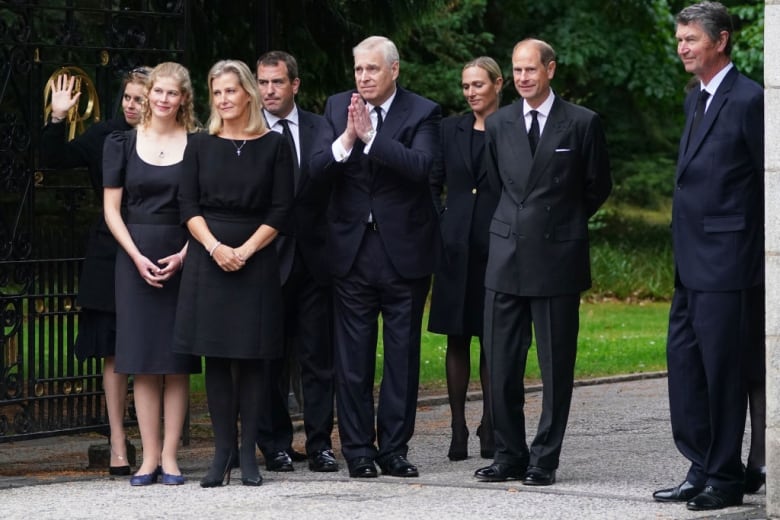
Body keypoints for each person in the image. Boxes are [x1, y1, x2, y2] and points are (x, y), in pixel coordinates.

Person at [474, 38, 611, 486]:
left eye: (531, 69)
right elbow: (498, 184)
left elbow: (596, 186)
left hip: (557, 257)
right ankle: (509, 455)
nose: (523, 78)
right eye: (516, 70)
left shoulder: (582, 123)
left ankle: (543, 460)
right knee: (500, 364)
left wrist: (561, 223)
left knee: (555, 368)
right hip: (506, 255)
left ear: (550, 69)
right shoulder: (499, 123)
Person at [310, 35, 441, 479]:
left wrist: (373, 138)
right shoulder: (335, 109)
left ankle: (394, 450)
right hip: (351, 253)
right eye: (359, 70)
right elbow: (316, 170)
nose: (363, 77)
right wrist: (348, 137)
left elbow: (423, 168)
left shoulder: (423, 112)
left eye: (372, 69)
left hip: (403, 254)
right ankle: (359, 451)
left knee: (402, 357)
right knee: (353, 359)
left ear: (394, 70)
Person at [652, 1, 764, 511]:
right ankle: (701, 464)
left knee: (723, 374)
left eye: (690, 38)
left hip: (729, 262)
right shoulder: (693, 96)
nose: (681, 47)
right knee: (686, 368)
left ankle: (725, 476)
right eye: (679, 39)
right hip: (689, 263)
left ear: (720, 41)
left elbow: (766, 184)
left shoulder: (749, 99)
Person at [172, 59, 294, 488]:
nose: (223, 100)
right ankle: (222, 452)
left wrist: (244, 249)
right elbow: (188, 207)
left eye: (230, 91)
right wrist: (216, 248)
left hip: (255, 257)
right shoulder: (200, 145)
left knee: (254, 356)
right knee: (217, 356)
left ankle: (249, 453)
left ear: (249, 94)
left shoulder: (276, 144)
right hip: (210, 258)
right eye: (217, 92)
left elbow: (281, 209)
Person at [40, 66, 149, 475]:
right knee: (114, 349)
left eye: (140, 98)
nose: (133, 105)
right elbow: (53, 159)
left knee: (153, 346)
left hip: (158, 247)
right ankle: (118, 442)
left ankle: (156, 444)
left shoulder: (172, 140)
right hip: (109, 251)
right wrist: (57, 117)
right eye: (128, 97)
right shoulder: (104, 135)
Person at [103, 61, 201, 486]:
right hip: (133, 256)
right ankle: (145, 459)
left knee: (176, 362)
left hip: (182, 254)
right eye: (157, 92)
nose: (162, 100)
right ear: (148, 95)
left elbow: (203, 209)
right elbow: (110, 209)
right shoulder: (121, 143)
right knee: (142, 361)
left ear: (183, 98)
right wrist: (135, 256)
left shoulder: (198, 144)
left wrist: (185, 254)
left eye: (171, 93)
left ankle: (171, 457)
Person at [255, 51, 338, 473]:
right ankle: (274, 444)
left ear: (295, 85)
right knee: (269, 357)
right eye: (263, 82)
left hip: (315, 261)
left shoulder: (322, 127)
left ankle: (321, 443)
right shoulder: (247, 131)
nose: (268, 90)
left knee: (317, 359)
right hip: (266, 262)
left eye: (276, 82)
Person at [428, 57, 502, 461]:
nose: (471, 92)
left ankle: (490, 423)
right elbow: (433, 181)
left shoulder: (510, 125)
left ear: (497, 84)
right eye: (465, 86)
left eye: (478, 84)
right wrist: (441, 222)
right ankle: (457, 426)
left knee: (492, 338)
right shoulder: (448, 128)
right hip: (454, 247)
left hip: (497, 246)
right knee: (457, 337)